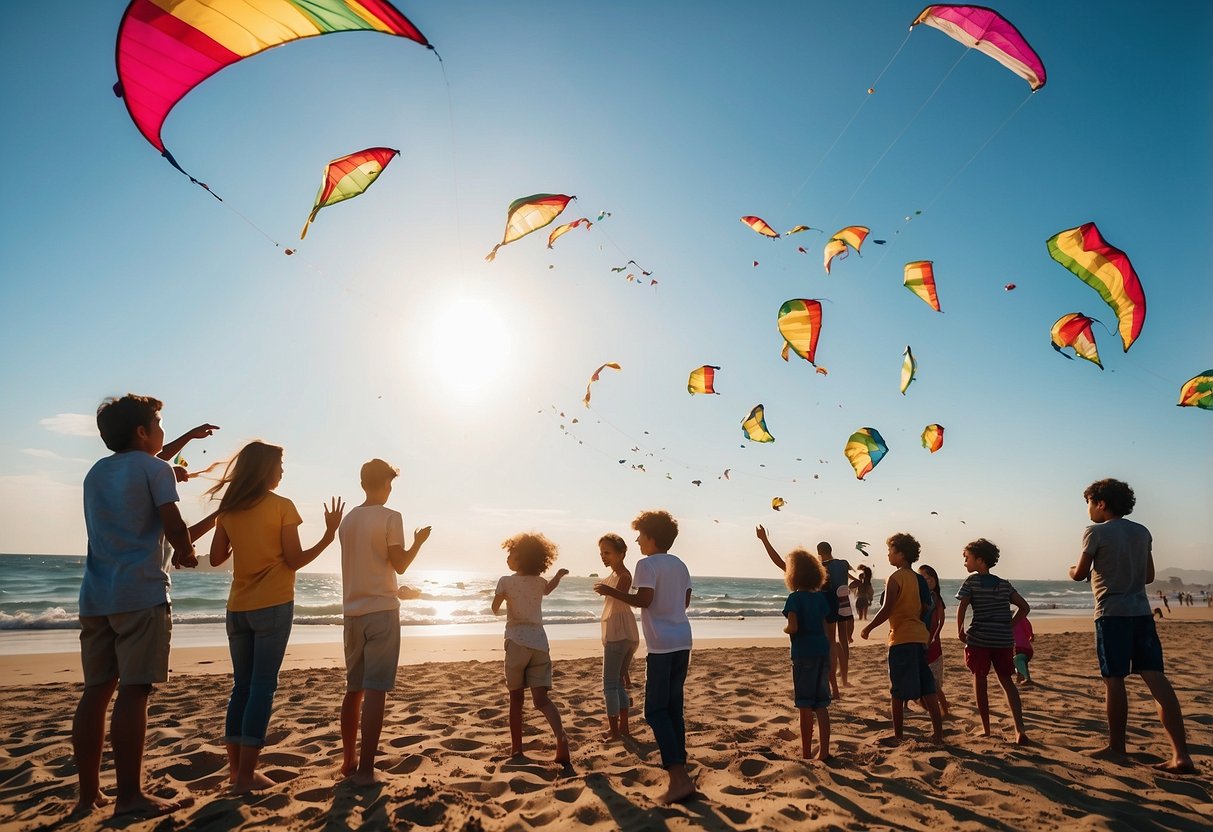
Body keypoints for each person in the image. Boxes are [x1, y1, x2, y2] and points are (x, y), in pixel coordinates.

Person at [73, 395, 218, 818]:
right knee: (135, 692)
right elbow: (171, 520)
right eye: (159, 423)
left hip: (96, 597)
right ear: (143, 431)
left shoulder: (97, 472)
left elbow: (142, 465)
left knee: (96, 693)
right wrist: (187, 552)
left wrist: (188, 438)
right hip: (141, 595)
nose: (162, 431)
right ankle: (130, 796)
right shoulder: (155, 469)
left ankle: (87, 795)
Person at [207, 441, 344, 793]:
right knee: (262, 687)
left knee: (241, 687)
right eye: (280, 464)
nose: (282, 471)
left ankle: (236, 772)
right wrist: (329, 535)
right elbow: (294, 559)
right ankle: (247, 776)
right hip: (273, 605)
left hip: (237, 608)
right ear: (265, 468)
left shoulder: (231, 507)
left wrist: (245, 535)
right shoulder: (282, 506)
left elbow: (217, 556)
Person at [1068, 479, 1194, 773]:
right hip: (1141, 613)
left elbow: (1080, 573)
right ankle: (1181, 754)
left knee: (1114, 679)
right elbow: (1148, 576)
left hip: (1112, 614)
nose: (1087, 509)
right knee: (1156, 679)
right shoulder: (1142, 532)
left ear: (1101, 503)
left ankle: (1116, 747)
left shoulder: (1094, 532)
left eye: (1088, 503)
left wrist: (1071, 569)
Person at [338, 459, 431, 785]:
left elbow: (365, 565)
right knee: (376, 691)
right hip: (382, 611)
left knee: (354, 690)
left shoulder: (347, 521)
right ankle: (365, 770)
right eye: (391, 484)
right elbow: (399, 563)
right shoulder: (392, 517)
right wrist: (417, 543)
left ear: (363, 483)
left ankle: (348, 762)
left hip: (352, 613)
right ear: (386, 484)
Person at [596, 510, 694, 803]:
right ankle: (682, 773)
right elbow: (685, 601)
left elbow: (644, 600)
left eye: (640, 535)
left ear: (651, 538)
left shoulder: (646, 564)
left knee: (654, 710)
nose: (637, 540)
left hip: (662, 646)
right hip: (683, 640)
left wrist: (612, 592)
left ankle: (678, 778)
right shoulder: (680, 564)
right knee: (673, 707)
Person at [492, 533, 570, 764]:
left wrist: (502, 598)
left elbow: (494, 609)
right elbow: (548, 589)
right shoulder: (538, 582)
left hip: (517, 642)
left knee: (516, 699)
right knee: (542, 700)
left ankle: (517, 750)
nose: (508, 559)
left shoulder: (505, 581)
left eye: (511, 555)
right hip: (539, 644)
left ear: (521, 558)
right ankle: (561, 737)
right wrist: (558, 575)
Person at [859, 534, 943, 744]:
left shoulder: (895, 578)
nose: (888, 554)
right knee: (927, 687)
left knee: (897, 690)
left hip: (901, 638)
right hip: (919, 637)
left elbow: (887, 608)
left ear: (902, 555)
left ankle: (898, 736)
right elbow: (926, 607)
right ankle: (938, 735)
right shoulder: (918, 580)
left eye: (891, 551)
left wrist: (868, 627)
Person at [756, 527, 853, 696]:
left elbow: (778, 561)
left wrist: (764, 540)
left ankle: (834, 687)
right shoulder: (823, 571)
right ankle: (836, 687)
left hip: (810, 639)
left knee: (827, 644)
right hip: (831, 600)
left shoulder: (802, 580)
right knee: (832, 642)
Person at [956, 539, 1030, 745]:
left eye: (967, 558)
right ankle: (1019, 729)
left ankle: (986, 729)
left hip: (980, 638)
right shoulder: (1004, 584)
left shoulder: (971, 582)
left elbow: (962, 606)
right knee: (1007, 681)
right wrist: (1009, 624)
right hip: (1003, 640)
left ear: (980, 560)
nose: (964, 562)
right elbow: (1024, 607)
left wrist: (959, 629)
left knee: (980, 680)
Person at [781, 549, 831, 760]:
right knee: (821, 704)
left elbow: (793, 626)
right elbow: (826, 628)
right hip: (821, 651)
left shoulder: (794, 599)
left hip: (803, 653)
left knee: (804, 704)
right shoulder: (820, 598)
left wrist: (786, 630)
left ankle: (807, 751)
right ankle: (825, 751)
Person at [596, 533, 639, 741]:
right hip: (624, 631)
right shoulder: (614, 574)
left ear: (621, 553)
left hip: (619, 632)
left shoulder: (623, 575)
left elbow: (622, 596)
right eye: (602, 553)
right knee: (618, 682)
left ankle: (615, 732)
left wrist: (606, 590)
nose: (604, 557)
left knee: (610, 684)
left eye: (608, 553)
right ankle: (624, 729)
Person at [917, 564, 950, 717]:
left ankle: (944, 711)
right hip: (920, 643)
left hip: (933, 646)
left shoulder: (935, 599)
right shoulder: (919, 598)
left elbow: (940, 622)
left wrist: (934, 638)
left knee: (935, 686)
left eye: (929, 578)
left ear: (935, 580)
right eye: (922, 578)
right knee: (921, 684)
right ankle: (932, 711)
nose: (926, 581)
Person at [1012, 613, 1035, 685]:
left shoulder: (1019, 618)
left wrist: (1031, 635)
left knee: (1017, 659)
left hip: (1026, 649)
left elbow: (1027, 624)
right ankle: (1020, 677)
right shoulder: (1008, 624)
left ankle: (1027, 678)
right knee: (1015, 661)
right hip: (1017, 649)